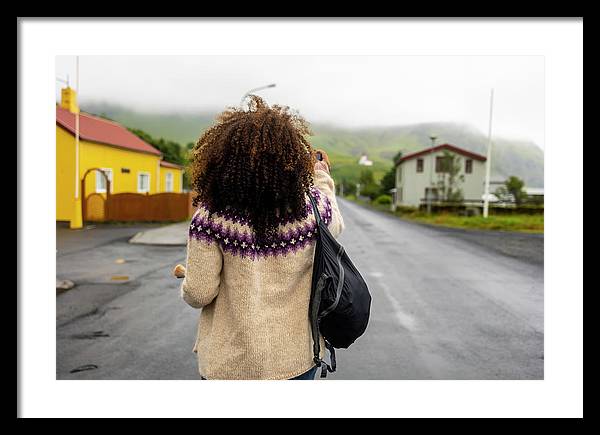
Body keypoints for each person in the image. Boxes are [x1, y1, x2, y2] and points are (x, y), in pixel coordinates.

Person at [180, 95, 344, 380]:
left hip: (229, 365)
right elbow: (336, 222)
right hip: (296, 360)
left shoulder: (210, 218)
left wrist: (187, 280)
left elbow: (199, 294)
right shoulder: (312, 209)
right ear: (290, 161)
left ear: (223, 161)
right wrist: (322, 177)